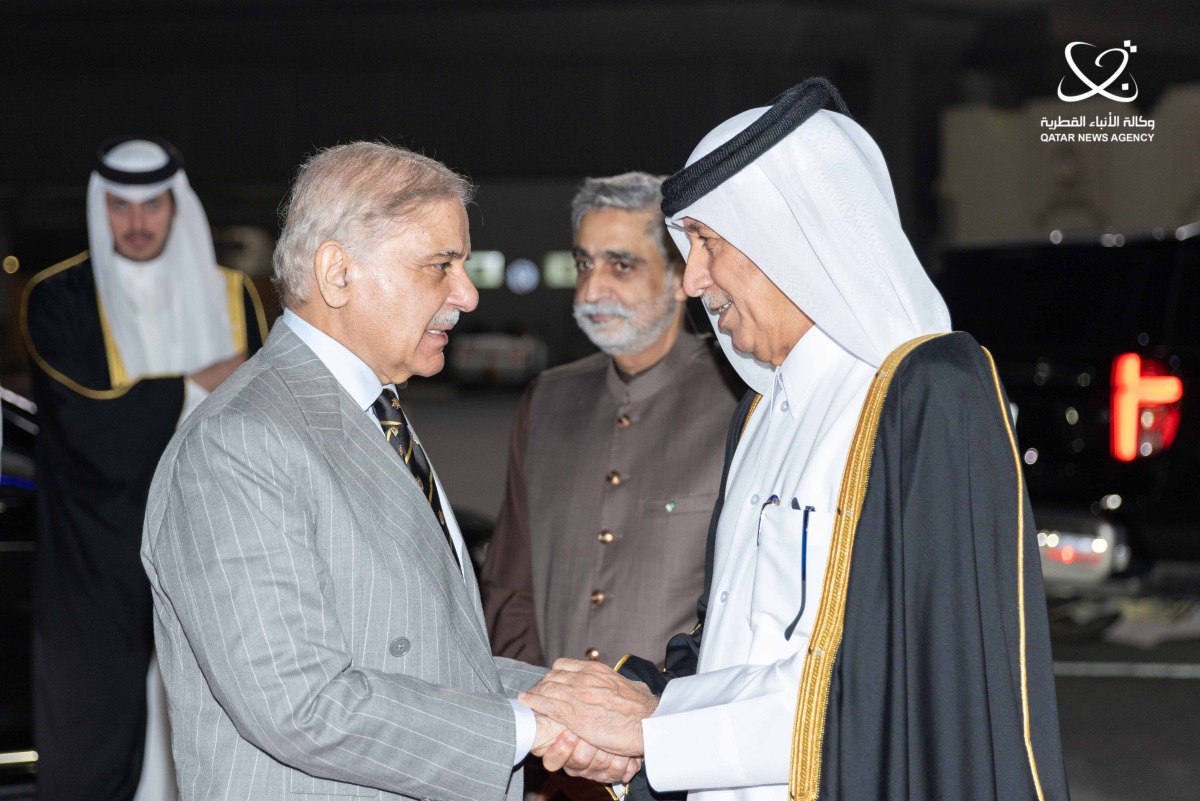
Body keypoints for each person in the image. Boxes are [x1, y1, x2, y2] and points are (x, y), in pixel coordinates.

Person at [520, 79, 1071, 801]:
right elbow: (736, 649)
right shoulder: (757, 413)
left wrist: (654, 732)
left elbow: (903, 689)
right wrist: (640, 721)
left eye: (707, 243)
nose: (695, 280)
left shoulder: (926, 397)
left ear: (788, 236)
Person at [139, 142, 638, 800]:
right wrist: (530, 727)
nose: (466, 293)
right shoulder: (238, 442)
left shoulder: (370, 411)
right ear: (338, 273)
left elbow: (425, 656)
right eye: (440, 266)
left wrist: (559, 700)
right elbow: (301, 703)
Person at [21, 137, 267, 801]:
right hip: (96, 558)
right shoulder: (59, 296)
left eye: (152, 205)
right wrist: (196, 383)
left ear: (175, 206)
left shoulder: (233, 295)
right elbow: (80, 426)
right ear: (100, 208)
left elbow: (262, 418)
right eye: (121, 207)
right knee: (96, 733)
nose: (136, 222)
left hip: (212, 549)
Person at [481, 172, 740, 669]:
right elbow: (510, 588)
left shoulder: (739, 398)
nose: (592, 289)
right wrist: (542, 700)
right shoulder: (548, 401)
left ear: (679, 276)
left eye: (621, 265)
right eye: (584, 264)